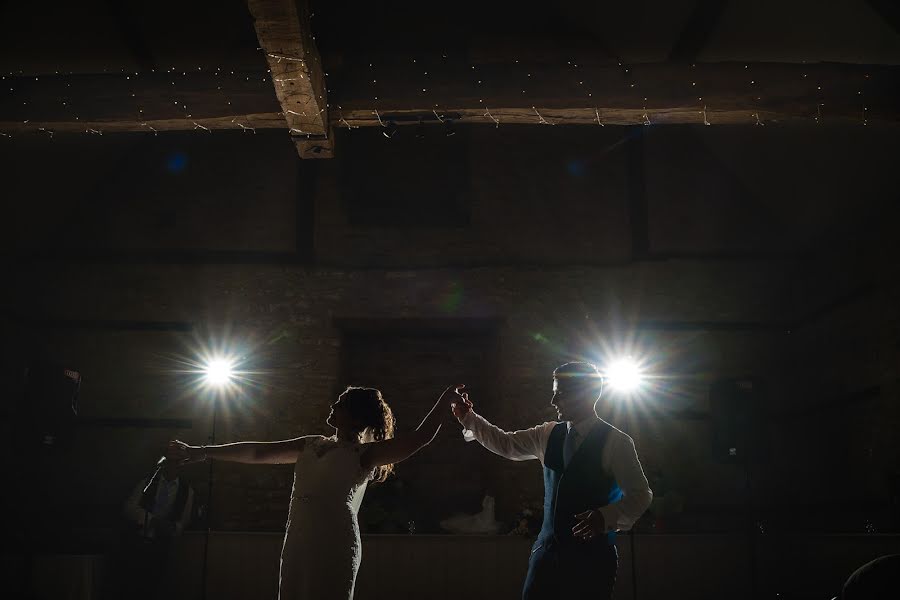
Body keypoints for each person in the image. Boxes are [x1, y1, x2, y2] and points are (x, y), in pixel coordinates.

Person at [167, 384, 456, 600]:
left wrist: (445, 401)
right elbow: (257, 452)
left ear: (355, 417)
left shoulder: (365, 454)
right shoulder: (310, 443)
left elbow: (419, 438)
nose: (334, 405)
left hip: (335, 540)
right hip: (299, 537)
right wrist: (200, 452)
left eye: (341, 403)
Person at [449, 361, 653, 600]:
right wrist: (468, 418)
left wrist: (605, 517)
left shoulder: (617, 442)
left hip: (592, 563)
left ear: (586, 395)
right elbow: (506, 443)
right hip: (545, 558)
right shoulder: (547, 433)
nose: (553, 402)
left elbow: (641, 495)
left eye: (560, 394)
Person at [115, 459, 195, 600]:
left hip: (162, 546)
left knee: (153, 587)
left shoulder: (187, 491)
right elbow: (128, 507)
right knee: (129, 587)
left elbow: (183, 522)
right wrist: (152, 520)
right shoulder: (148, 482)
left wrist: (171, 528)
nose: (173, 466)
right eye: (170, 461)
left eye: (177, 463)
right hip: (135, 541)